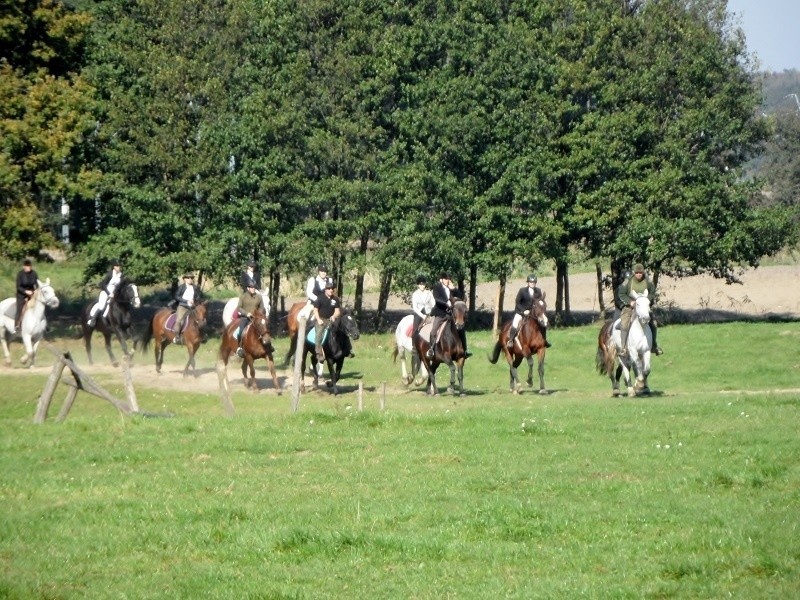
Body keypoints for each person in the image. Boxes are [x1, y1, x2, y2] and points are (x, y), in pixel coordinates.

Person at [616, 263, 663, 356]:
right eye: (637, 273)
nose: (638, 274)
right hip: (631, 306)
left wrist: (646, 301)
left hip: (643, 306)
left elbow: (652, 292)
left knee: (654, 323)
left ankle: (654, 346)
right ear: (634, 272)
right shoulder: (628, 281)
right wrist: (630, 302)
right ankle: (623, 348)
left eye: (640, 273)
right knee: (624, 323)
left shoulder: (647, 280)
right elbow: (621, 293)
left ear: (643, 273)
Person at [426, 272, 471, 359]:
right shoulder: (437, 288)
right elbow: (437, 299)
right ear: (441, 280)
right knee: (433, 331)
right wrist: (446, 303)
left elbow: (461, 297)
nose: (447, 281)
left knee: (461, 329)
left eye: (448, 279)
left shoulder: (450, 289)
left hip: (451, 314)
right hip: (440, 313)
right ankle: (431, 350)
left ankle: (464, 350)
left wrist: (454, 289)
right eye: (446, 279)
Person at [507, 274, 552, 349]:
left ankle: (544, 340)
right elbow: (517, 302)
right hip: (521, 312)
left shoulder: (538, 291)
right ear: (528, 283)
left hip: (533, 313)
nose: (532, 283)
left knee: (543, 322)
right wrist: (523, 311)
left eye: (534, 282)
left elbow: (539, 302)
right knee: (515, 323)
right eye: (531, 282)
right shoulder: (522, 291)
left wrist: (540, 312)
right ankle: (511, 340)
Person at [87, 259, 128, 327]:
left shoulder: (121, 275)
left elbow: (122, 285)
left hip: (115, 294)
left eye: (120, 266)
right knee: (101, 306)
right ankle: (92, 318)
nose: (119, 268)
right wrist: (109, 293)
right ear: (114, 267)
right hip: (105, 292)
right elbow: (102, 285)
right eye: (117, 266)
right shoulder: (110, 274)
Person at [313, 280, 341, 362]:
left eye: (332, 288)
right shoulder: (320, 298)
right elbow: (315, 310)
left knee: (341, 331)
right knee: (319, 335)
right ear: (325, 289)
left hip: (331, 320)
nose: (331, 290)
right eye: (329, 288)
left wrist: (334, 316)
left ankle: (347, 349)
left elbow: (337, 311)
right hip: (321, 320)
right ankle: (319, 353)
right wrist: (318, 320)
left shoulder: (335, 299)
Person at [235, 282, 266, 358]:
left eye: (254, 287)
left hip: (255, 318)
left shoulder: (259, 297)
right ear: (248, 288)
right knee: (240, 332)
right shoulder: (243, 296)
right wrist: (246, 313)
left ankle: (267, 346)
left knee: (264, 329)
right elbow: (239, 307)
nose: (253, 289)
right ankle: (240, 348)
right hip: (245, 318)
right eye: (251, 287)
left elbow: (262, 307)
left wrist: (259, 313)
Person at [172, 273, 202, 344]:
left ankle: (201, 336)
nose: (190, 279)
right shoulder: (181, 287)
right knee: (180, 320)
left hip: (192, 307)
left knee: (201, 319)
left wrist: (195, 300)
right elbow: (176, 296)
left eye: (191, 278)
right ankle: (177, 336)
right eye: (188, 278)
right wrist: (186, 301)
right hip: (182, 306)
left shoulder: (194, 287)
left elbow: (198, 297)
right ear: (184, 279)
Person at [14, 258, 39, 333]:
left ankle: (43, 325)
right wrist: (25, 292)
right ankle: (17, 325)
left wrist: (35, 291)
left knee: (39, 306)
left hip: (32, 294)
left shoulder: (34, 273)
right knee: (20, 308)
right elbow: (18, 286)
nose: (28, 268)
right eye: (27, 266)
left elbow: (36, 284)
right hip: (21, 295)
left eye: (30, 266)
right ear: (24, 266)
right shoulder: (20, 274)